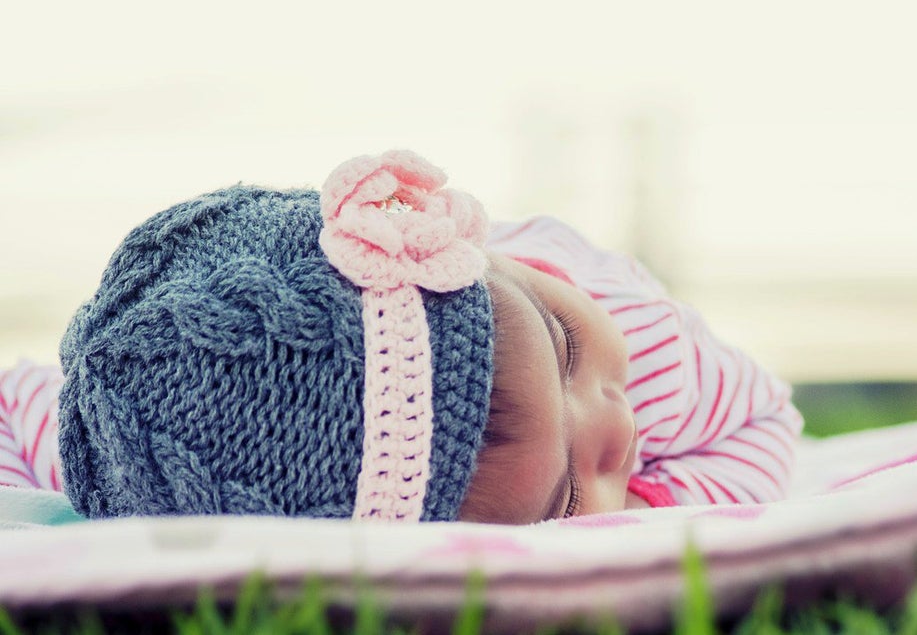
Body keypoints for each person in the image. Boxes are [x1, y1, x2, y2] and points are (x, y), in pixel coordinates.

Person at [0, 150, 802, 525]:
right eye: (564, 496)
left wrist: (653, 507)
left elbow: (767, 418)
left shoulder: (639, 343)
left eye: (564, 349)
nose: (615, 425)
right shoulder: (107, 433)